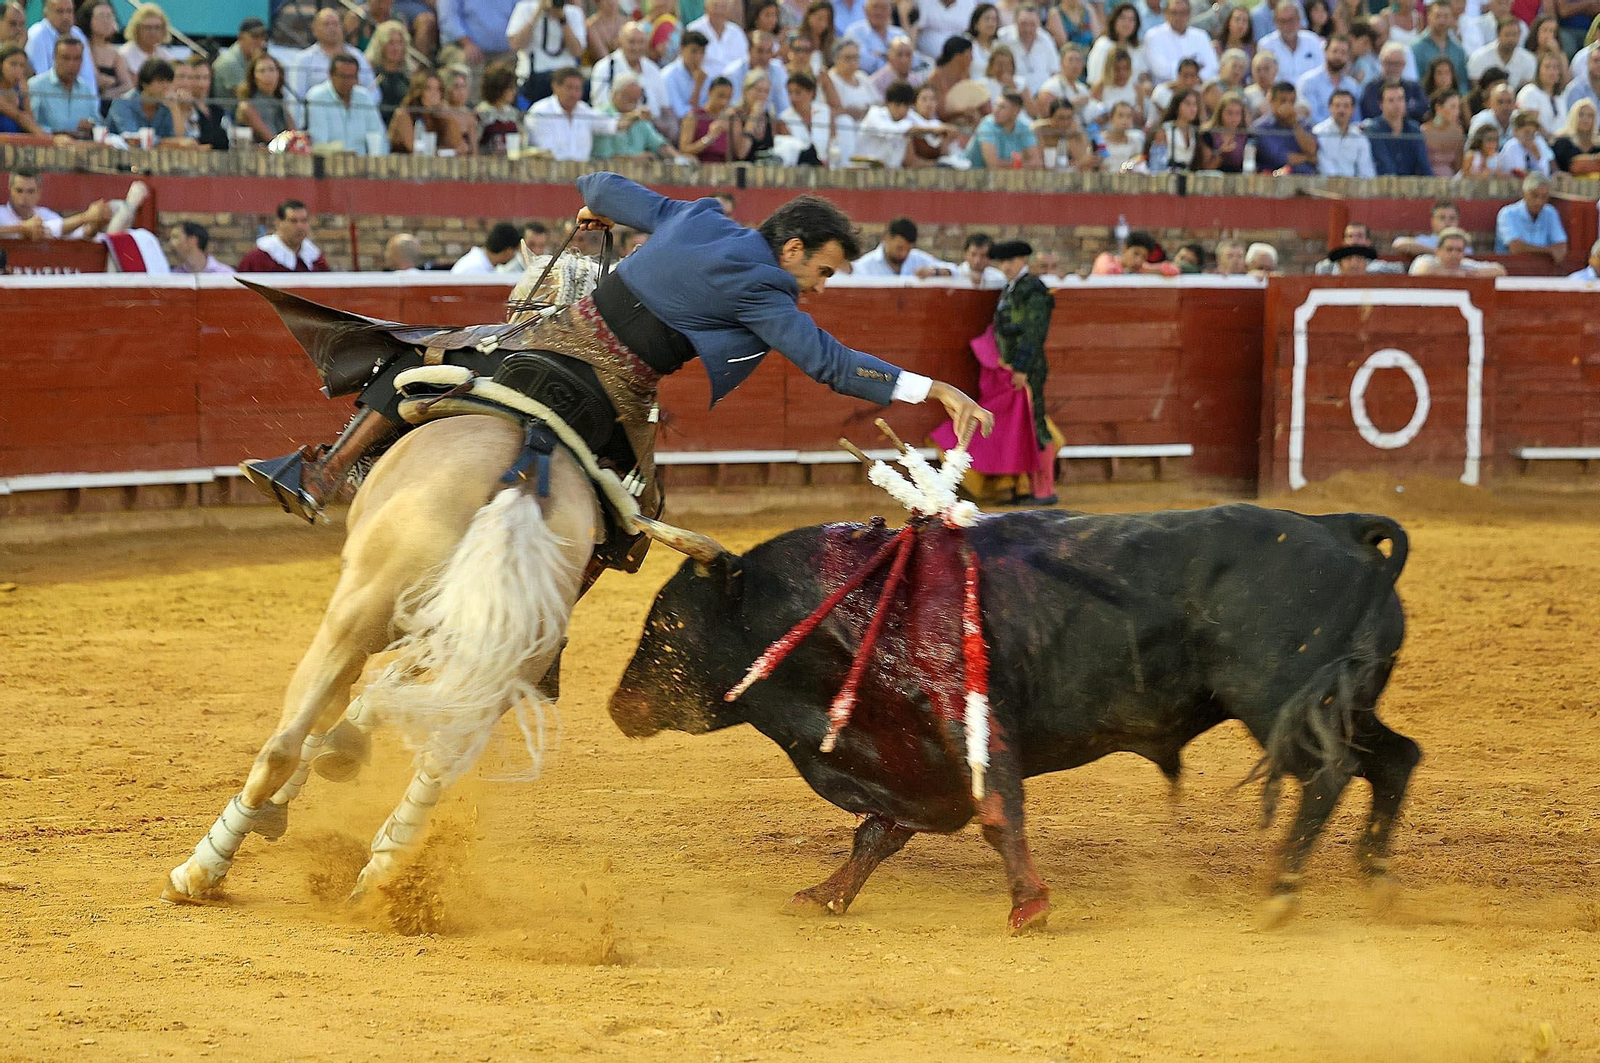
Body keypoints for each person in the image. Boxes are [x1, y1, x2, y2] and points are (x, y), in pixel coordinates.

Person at [241, 172, 993, 526]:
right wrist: (937, 389)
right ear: (792, 247)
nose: (821, 287)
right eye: (823, 270)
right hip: (620, 387)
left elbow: (599, 180)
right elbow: (829, 363)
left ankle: (324, 472)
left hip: (551, 334)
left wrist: (595, 208)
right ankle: (548, 640)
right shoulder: (768, 292)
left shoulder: (698, 216)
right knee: (629, 514)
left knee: (421, 358)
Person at [930, 239, 1055, 505]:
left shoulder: (1032, 289)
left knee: (1036, 425)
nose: (1006, 266)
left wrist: (1021, 367)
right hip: (1013, 369)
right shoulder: (1012, 288)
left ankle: (1044, 489)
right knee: (1024, 427)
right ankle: (1026, 488)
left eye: (1011, 261)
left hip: (1027, 369)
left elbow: (1033, 332)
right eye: (1002, 262)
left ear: (1024, 260)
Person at [306, 55, 389, 154]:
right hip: (329, 164)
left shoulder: (364, 97)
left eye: (351, 77)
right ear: (331, 75)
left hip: (364, 164)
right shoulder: (317, 97)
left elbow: (379, 136)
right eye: (343, 76)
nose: (347, 81)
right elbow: (318, 142)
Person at [292, 8, 376, 106]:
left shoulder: (358, 56)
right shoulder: (303, 60)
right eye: (326, 24)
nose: (332, 28)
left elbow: (374, 92)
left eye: (336, 24)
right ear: (314, 30)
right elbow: (296, 98)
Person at [509, 0, 587, 104]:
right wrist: (537, 13)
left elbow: (577, 51)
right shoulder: (525, 8)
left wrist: (562, 20)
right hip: (534, 76)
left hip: (565, 75)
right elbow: (516, 44)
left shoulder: (574, 13)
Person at [0, 167, 110, 238]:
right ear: (10, 190)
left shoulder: (44, 214)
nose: (23, 197)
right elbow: (57, 228)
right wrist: (85, 217)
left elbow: (70, 232)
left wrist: (94, 226)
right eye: (19, 191)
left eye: (30, 191)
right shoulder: (1, 214)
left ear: (38, 193)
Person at [29, 36, 99, 138]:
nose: (71, 64)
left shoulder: (86, 89)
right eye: (66, 58)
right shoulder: (36, 86)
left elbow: (97, 122)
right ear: (54, 57)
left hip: (81, 148)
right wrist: (59, 133)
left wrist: (91, 126)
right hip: (47, 148)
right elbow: (31, 124)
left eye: (77, 59)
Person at [26, 0, 96, 98]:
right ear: (46, 14)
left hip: (78, 100)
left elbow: (88, 76)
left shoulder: (78, 34)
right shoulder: (36, 35)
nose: (66, 17)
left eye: (69, 11)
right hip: (50, 99)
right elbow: (40, 79)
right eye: (60, 11)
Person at [106, 58, 183, 145]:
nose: (166, 86)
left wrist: (175, 108)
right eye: (160, 81)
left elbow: (179, 139)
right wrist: (166, 142)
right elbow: (133, 139)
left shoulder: (167, 105)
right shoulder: (122, 103)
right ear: (145, 83)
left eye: (169, 81)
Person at [239, 199, 330, 272]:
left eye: (304, 221)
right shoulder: (257, 259)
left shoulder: (315, 259)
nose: (300, 227)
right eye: (293, 221)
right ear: (278, 223)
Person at [1494, 172, 1566, 263]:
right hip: (1512, 270)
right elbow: (1516, 248)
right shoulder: (1507, 213)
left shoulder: (1550, 212)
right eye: (1534, 195)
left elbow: (1561, 247)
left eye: (1544, 197)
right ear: (1525, 194)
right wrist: (1549, 250)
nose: (1539, 201)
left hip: (1543, 271)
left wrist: (1529, 248)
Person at [1363, 79, 1431, 175]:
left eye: (1400, 99)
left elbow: (1424, 164)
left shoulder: (1414, 129)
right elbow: (1385, 165)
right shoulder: (1373, 130)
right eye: (1391, 100)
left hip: (1411, 184)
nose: (1397, 104)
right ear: (1381, 105)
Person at [1144, 0, 1220, 82]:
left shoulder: (1201, 35)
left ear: (1189, 14)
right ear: (1165, 14)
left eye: (1183, 13)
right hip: (1168, 89)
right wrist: (1195, 67)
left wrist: (1194, 79)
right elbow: (1160, 70)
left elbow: (1212, 66)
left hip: (1198, 87)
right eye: (1174, 13)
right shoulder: (1154, 35)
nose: (1178, 17)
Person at [853, 216, 956, 276]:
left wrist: (935, 272)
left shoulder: (917, 259)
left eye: (908, 249)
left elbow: (955, 270)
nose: (904, 254)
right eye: (899, 248)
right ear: (887, 238)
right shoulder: (865, 266)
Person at [1252, 80, 1319, 172]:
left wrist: (1295, 124)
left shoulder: (1304, 124)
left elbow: (1312, 151)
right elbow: (1280, 158)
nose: (1288, 106)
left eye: (1292, 102)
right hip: (1273, 179)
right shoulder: (1261, 128)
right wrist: (1308, 159)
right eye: (1283, 101)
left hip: (1306, 178)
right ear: (1272, 101)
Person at [77, 0, 133, 104]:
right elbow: (94, 79)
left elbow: (128, 85)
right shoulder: (81, 45)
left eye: (109, 16)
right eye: (101, 16)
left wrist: (109, 94)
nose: (106, 21)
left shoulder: (115, 53)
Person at [967, 89, 1042, 165]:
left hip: (1005, 175)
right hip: (969, 175)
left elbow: (1037, 163)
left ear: (1016, 111)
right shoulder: (987, 125)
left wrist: (1014, 164)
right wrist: (1020, 164)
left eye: (1002, 107)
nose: (996, 110)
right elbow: (993, 165)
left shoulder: (1024, 128)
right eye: (996, 105)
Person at [1296, 32, 1359, 123]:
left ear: (1348, 56)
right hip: (1317, 134)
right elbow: (1311, 117)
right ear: (1325, 52)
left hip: (1347, 135)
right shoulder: (1308, 81)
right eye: (1334, 51)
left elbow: (1356, 117)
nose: (1338, 56)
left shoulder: (1352, 85)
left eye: (1343, 53)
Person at [236, 53, 297, 143]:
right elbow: (271, 140)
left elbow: (293, 134)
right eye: (262, 71)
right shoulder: (247, 106)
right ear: (253, 77)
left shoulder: (280, 102)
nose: (268, 75)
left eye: (271, 70)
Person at [1314, 87, 1376, 174]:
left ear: (1352, 110)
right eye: (1337, 106)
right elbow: (1324, 167)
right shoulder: (1319, 132)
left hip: (1354, 185)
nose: (1341, 110)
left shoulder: (1359, 136)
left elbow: (1366, 169)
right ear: (1330, 108)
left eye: (1346, 106)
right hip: (1325, 184)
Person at [1359, 42, 1425, 120]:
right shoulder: (1371, 87)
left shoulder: (1413, 87)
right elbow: (1372, 111)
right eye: (1389, 63)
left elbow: (1423, 108)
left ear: (1404, 65)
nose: (1393, 68)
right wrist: (1404, 110)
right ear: (1381, 63)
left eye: (1397, 64)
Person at [1410, 225, 1507, 275]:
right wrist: (1455, 274)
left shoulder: (1465, 265)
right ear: (1438, 251)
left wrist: (1467, 274)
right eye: (1449, 249)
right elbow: (1422, 270)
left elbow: (1500, 270)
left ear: (1464, 253)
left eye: (1459, 250)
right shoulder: (1426, 260)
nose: (1454, 254)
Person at [213, 17, 269, 102]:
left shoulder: (253, 59)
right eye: (255, 37)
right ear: (240, 38)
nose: (261, 42)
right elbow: (246, 99)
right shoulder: (229, 62)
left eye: (263, 38)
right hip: (229, 113)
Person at [688, 0, 750, 75]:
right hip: (703, 82)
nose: (719, 11)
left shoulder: (737, 32)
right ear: (706, 7)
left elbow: (744, 61)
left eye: (724, 7)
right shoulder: (694, 30)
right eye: (715, 6)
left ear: (730, 10)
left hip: (733, 82)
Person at [1092, 229, 1179, 274]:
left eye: (1144, 257)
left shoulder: (1141, 268)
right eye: (1135, 253)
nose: (1139, 260)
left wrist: (1147, 271)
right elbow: (1107, 271)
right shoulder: (1106, 258)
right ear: (1125, 249)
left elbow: (1174, 269)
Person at [450, 222, 522, 273]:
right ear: (508, 251)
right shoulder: (475, 268)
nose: (515, 255)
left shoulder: (481, 263)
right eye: (515, 251)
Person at [1552, 98, 1599, 173]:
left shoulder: (1597, 146)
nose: (1585, 119)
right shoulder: (1562, 142)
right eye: (1581, 114)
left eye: (1590, 116)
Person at [167, 220, 233, 274]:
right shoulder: (175, 274)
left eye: (175, 237)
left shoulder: (225, 273)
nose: (171, 243)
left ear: (192, 240)